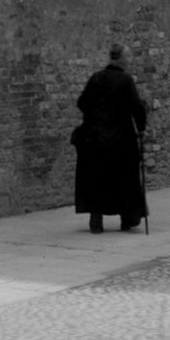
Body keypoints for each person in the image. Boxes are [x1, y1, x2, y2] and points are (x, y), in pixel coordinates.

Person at [72, 43, 148, 232]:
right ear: (119, 59)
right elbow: (137, 108)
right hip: (120, 138)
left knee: (97, 178)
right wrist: (141, 129)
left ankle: (96, 219)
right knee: (124, 178)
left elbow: (82, 103)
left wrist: (96, 117)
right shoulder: (125, 80)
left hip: (95, 137)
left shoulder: (96, 78)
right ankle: (127, 218)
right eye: (128, 57)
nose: (130, 61)